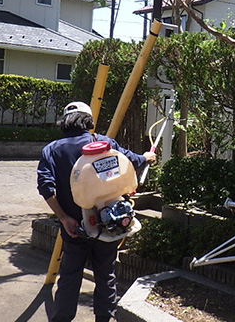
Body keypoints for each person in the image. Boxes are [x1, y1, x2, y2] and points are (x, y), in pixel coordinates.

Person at [37, 101, 156, 322]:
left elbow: (45, 187)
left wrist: (64, 218)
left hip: (74, 228)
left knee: (69, 278)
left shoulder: (51, 150)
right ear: (88, 120)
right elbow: (132, 160)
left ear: (65, 122)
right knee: (106, 275)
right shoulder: (104, 143)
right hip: (108, 224)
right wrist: (147, 157)